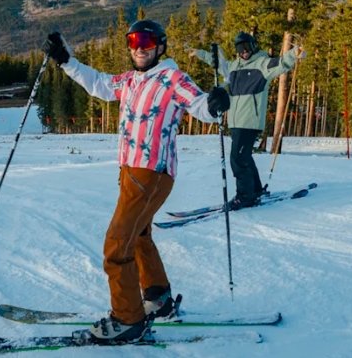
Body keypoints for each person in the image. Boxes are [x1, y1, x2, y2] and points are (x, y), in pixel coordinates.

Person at [42, 20, 229, 344]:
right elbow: (99, 84)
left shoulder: (172, 78)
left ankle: (128, 320)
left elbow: (198, 104)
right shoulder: (131, 80)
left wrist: (214, 105)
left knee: (116, 245)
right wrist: (67, 61)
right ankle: (158, 299)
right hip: (131, 173)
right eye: (132, 40)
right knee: (138, 235)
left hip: (150, 172)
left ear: (160, 45)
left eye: (146, 40)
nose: (138, 47)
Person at [191, 32, 303, 209]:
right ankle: (255, 190)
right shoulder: (234, 67)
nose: (244, 52)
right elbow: (219, 64)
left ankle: (244, 197)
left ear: (253, 46)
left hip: (250, 121)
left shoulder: (262, 64)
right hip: (236, 122)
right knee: (244, 157)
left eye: (246, 47)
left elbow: (281, 63)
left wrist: (294, 53)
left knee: (237, 158)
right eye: (239, 48)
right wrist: (201, 53)